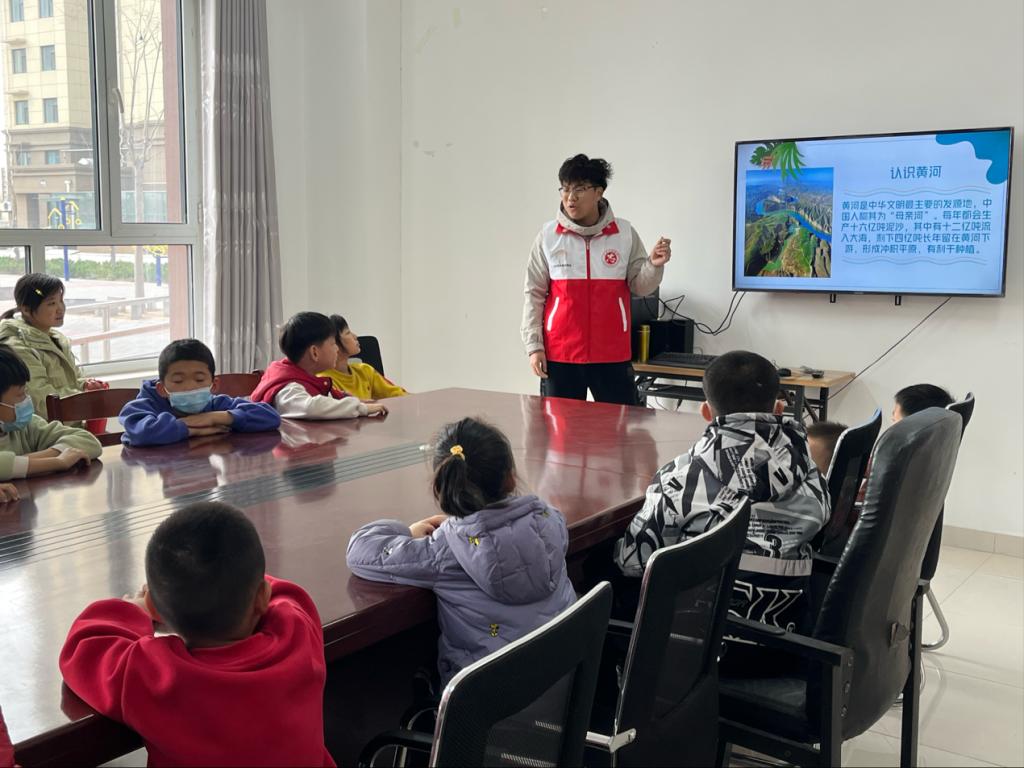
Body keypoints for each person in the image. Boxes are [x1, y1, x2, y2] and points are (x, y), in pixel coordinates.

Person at [59, 502, 335, 767]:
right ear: (261, 596)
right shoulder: (297, 634)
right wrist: (237, 586)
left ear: (156, 608)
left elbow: (84, 646)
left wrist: (137, 609)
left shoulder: (156, 678)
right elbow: (285, 594)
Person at [346, 417, 576, 686]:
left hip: (487, 699)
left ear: (444, 486)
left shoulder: (444, 552)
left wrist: (408, 531)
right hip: (564, 682)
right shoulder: (550, 520)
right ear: (511, 478)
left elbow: (359, 551)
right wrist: (467, 527)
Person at [613, 350, 829, 635]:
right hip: (788, 633)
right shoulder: (812, 473)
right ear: (778, 409)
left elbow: (633, 562)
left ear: (705, 412)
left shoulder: (680, 478)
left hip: (697, 642)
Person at [521, 153, 671, 404]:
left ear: (599, 193)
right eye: (565, 189)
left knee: (618, 426)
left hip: (612, 354)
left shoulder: (624, 233)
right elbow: (533, 293)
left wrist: (654, 266)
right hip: (561, 354)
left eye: (580, 189)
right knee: (560, 427)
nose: (570, 197)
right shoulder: (548, 236)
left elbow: (641, 286)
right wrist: (534, 347)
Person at [119, 338, 281, 446]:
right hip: (164, 472)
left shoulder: (215, 404)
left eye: (199, 379)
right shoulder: (144, 406)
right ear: (162, 389)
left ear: (214, 385)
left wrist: (213, 417)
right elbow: (142, 434)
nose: (190, 386)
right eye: (178, 381)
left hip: (203, 466)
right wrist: (192, 429)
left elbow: (270, 417)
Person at [0, 273, 108, 418]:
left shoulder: (56, 339)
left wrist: (86, 385)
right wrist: (85, 397)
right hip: (47, 428)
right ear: (26, 309)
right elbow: (42, 401)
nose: (60, 308)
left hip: (71, 422)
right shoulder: (18, 348)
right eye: (51, 303)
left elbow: (73, 380)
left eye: (61, 301)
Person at [250, 311, 388, 419]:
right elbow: (311, 407)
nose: (337, 349)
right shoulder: (288, 388)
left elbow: (330, 398)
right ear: (314, 352)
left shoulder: (307, 377)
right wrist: (360, 408)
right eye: (333, 344)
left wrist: (356, 401)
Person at [0, 344, 102, 482]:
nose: (26, 399)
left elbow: (89, 441)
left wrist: (49, 455)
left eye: (26, 392)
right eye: (20, 395)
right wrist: (57, 462)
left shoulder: (26, 426)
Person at [317, 315, 407, 399]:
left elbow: (398, 394)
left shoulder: (365, 370)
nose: (355, 336)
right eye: (348, 333)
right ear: (334, 344)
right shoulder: (324, 381)